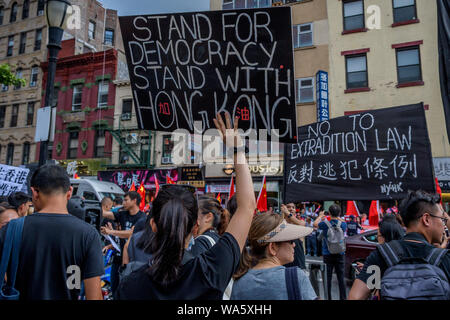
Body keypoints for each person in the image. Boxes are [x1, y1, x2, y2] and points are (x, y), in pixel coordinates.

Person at [117, 112, 256, 299]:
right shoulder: (210, 270)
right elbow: (247, 206)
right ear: (195, 227)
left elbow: (247, 207)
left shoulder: (130, 284)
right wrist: (237, 149)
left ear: (153, 225)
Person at [0, 165, 104, 300]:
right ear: (70, 192)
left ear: (34, 192)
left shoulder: (11, 229)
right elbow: (93, 296)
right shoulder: (88, 235)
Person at [349, 190, 450, 300]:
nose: (444, 226)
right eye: (442, 219)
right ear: (426, 219)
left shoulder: (381, 256)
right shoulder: (444, 259)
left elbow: (355, 297)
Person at [230, 211, 316, 300]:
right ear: (273, 248)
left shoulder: (239, 283)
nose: (294, 244)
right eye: (290, 241)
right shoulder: (296, 277)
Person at [101, 192, 145, 298]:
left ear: (134, 201)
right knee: (115, 288)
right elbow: (104, 213)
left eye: (126, 200)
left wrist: (111, 232)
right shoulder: (122, 214)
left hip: (132, 261)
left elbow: (131, 233)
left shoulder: (142, 218)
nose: (123, 202)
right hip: (118, 259)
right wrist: (101, 205)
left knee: (129, 292)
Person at [314, 205, 347, 300]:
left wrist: (320, 216)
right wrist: (338, 217)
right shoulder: (343, 224)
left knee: (327, 279)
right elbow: (343, 221)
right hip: (340, 254)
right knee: (341, 278)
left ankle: (329, 298)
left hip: (327, 253)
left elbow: (315, 224)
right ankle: (343, 298)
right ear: (339, 213)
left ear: (329, 212)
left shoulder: (325, 224)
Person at [284, 202, 307, 269]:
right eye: (288, 207)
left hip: (298, 264)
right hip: (284, 262)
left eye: (293, 207)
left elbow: (301, 225)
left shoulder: (300, 223)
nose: (291, 209)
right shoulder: (281, 224)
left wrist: (287, 213)